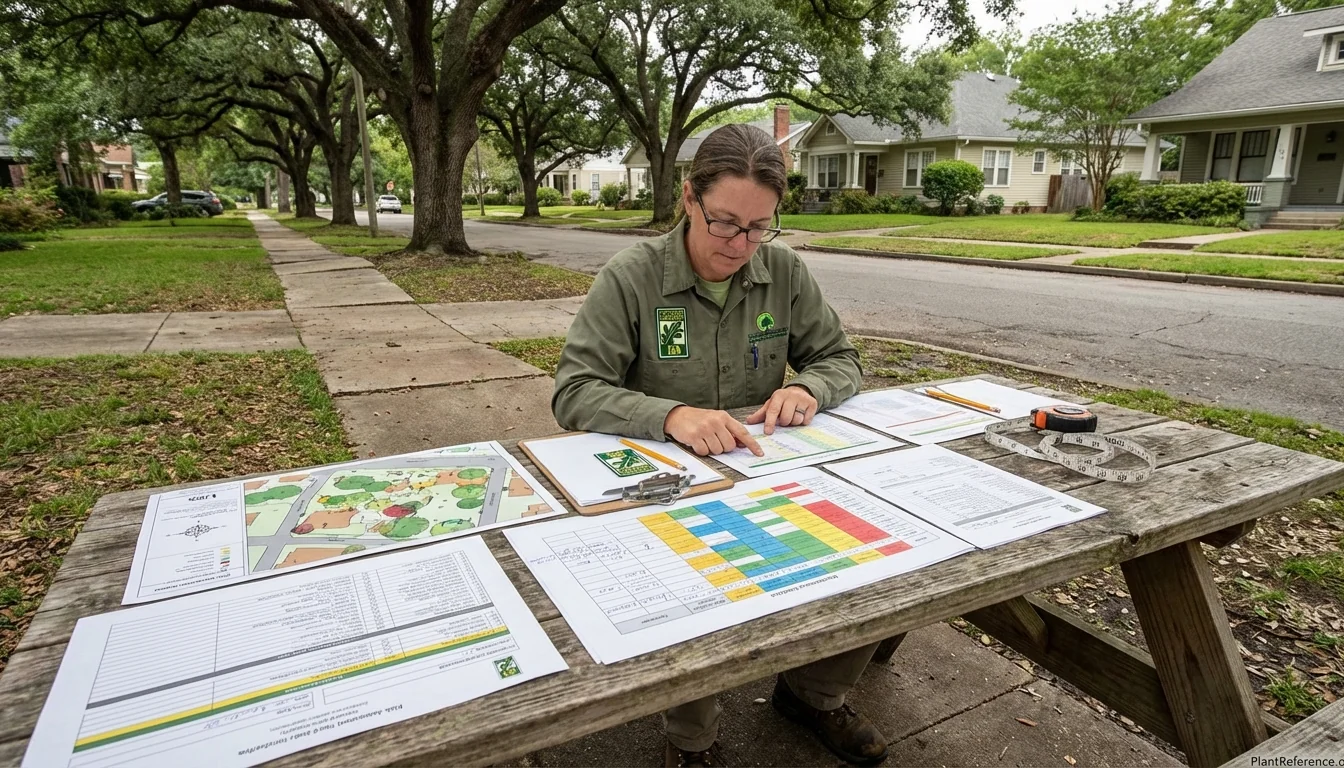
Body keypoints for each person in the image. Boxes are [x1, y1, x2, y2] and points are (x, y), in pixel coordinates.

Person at [552, 124, 887, 768]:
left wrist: (811, 388)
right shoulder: (631, 277)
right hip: (664, 485)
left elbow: (840, 357)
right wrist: (670, 413)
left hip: (763, 468)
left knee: (876, 550)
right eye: (726, 224)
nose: (742, 245)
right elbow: (574, 392)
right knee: (695, 589)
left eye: (761, 227)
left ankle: (815, 693)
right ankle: (692, 741)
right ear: (688, 199)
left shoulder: (783, 270)